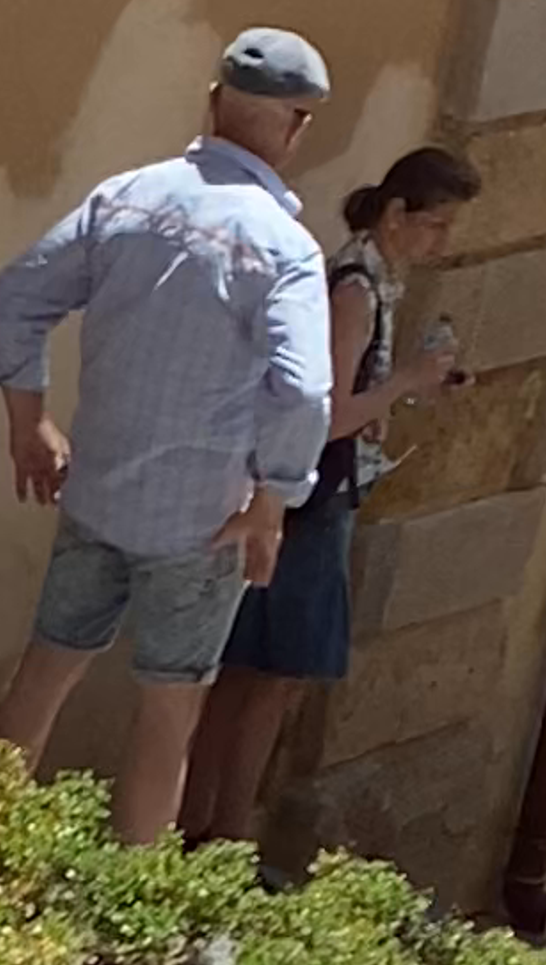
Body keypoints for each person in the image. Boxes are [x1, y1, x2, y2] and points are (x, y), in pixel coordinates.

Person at [0, 34, 340, 840]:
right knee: (168, 717)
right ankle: (129, 922)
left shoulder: (128, 198)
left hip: (98, 488)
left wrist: (26, 421)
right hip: (203, 518)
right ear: (299, 125)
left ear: (213, 99)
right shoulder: (285, 251)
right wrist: (274, 501)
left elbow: (16, 295)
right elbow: (306, 389)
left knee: (43, 672)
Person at [179, 143, 480, 852]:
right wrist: (404, 381)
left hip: (310, 492)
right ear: (397, 213)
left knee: (250, 672)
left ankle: (203, 825)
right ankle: (222, 830)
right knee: (271, 675)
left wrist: (397, 392)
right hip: (311, 503)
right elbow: (324, 414)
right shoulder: (354, 289)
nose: (442, 241)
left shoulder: (370, 281)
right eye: (435, 224)